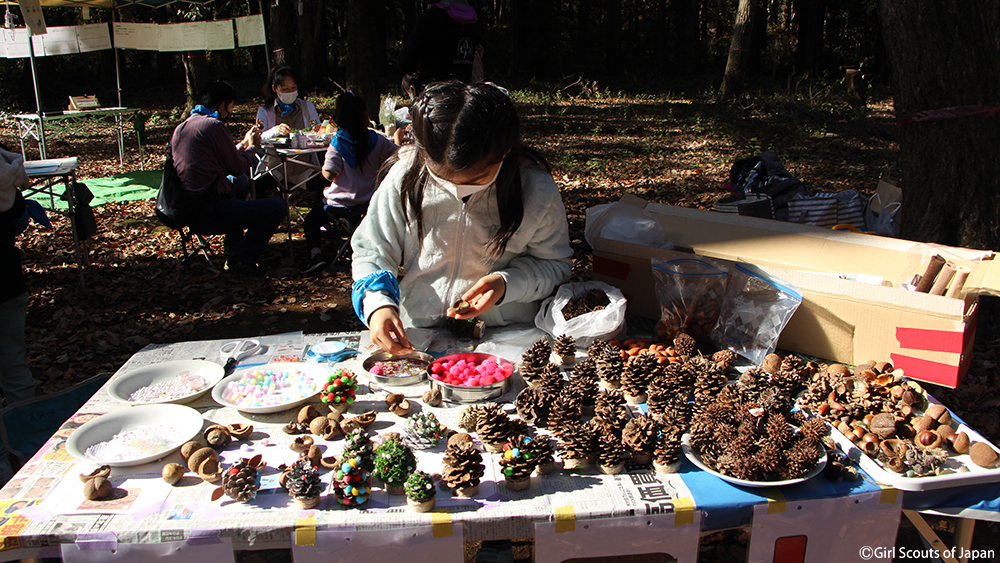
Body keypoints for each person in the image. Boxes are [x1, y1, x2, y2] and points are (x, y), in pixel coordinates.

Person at [352, 81, 573, 354]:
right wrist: (378, 304)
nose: (457, 190)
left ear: (505, 153)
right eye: (442, 180)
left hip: (508, 338)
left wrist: (506, 285)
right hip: (421, 332)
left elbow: (555, 266)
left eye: (476, 180)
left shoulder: (535, 190)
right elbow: (372, 250)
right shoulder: (405, 175)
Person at [170, 80, 288, 276]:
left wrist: (242, 144)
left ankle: (233, 243)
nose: (229, 114)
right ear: (222, 106)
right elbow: (238, 167)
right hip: (210, 210)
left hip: (186, 207)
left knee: (240, 184)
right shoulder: (213, 125)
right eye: (230, 108)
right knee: (277, 207)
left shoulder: (183, 126)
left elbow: (220, 160)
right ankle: (241, 259)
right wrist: (252, 147)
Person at [301, 92, 399, 274]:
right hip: (368, 201)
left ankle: (316, 255)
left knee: (311, 220)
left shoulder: (339, 142)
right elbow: (396, 154)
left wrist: (321, 169)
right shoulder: (374, 138)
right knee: (353, 216)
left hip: (341, 203)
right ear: (365, 116)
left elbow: (330, 174)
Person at [0, 142, 37, 484]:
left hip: (6, 283)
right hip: (7, 280)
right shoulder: (7, 166)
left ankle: (17, 454)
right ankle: (28, 443)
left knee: (13, 363)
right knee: (13, 364)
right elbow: (18, 218)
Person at [253, 66, 326, 196]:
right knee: (256, 185)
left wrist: (317, 131)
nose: (290, 92)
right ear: (275, 89)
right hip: (276, 168)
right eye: (285, 89)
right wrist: (275, 130)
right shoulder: (265, 112)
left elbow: (318, 131)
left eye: (293, 88)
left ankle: (315, 216)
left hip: (304, 168)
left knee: (325, 184)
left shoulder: (307, 107)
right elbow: (258, 137)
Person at [398, 0, 483, 92]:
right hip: (462, 94)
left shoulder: (431, 17)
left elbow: (405, 63)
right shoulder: (471, 19)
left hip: (433, 94)